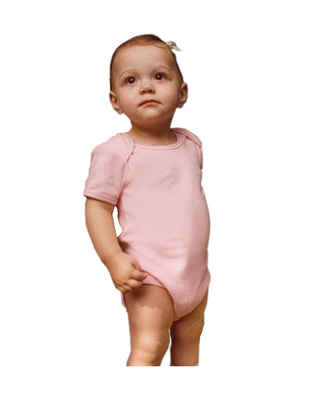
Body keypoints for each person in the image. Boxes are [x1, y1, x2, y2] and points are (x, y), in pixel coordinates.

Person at [84, 34, 211, 366]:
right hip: (148, 274)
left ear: (182, 93)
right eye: (131, 80)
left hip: (195, 274)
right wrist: (113, 258)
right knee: (150, 345)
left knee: (189, 343)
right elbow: (97, 207)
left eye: (159, 76)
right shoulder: (116, 152)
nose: (146, 87)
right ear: (115, 101)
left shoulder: (191, 145)